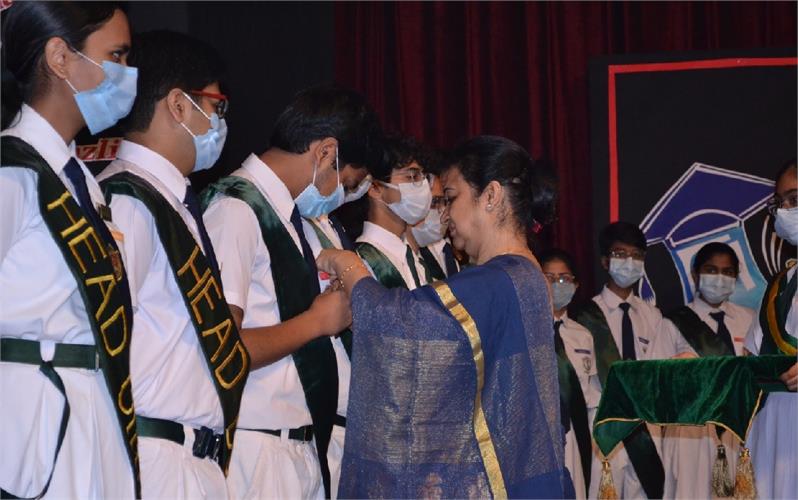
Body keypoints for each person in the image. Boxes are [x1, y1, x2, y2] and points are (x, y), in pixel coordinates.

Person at [317, 135, 572, 498]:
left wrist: (346, 264)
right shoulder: (525, 274)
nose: (444, 214)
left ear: (491, 195)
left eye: (451, 198)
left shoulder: (498, 280)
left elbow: (402, 323)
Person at [202, 84, 383, 499]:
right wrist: (317, 322)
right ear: (325, 152)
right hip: (256, 448)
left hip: (300, 445)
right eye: (344, 181)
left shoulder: (290, 219)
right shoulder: (235, 209)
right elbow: (221, 348)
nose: (339, 196)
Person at [97, 30, 248, 498]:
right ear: (179, 105)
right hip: (153, 454)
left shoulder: (174, 201)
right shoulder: (125, 200)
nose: (220, 121)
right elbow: (104, 338)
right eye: (216, 105)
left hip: (194, 457)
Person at [0, 2, 139, 497]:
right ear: (60, 57)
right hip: (33, 417)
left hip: (95, 410)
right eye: (116, 55)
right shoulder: (12, 170)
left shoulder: (79, 179)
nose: (127, 72)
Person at [648, 242, 754, 499]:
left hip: (739, 432)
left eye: (727, 272)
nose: (719, 278)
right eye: (711, 270)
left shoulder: (749, 319)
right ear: (695, 274)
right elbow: (655, 384)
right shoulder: (673, 322)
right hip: (690, 435)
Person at [572, 221, 664, 499]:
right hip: (604, 427)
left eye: (636, 255)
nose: (629, 262)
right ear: (605, 261)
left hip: (645, 430)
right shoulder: (584, 316)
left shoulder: (653, 316)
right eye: (620, 254)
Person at [744, 159, 797, 499]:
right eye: (780, 203)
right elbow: (752, 359)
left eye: (795, 199)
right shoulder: (780, 285)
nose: (786, 211)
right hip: (772, 427)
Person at [540, 249, 601, 499]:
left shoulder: (582, 335)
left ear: (576, 284)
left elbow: (592, 396)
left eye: (564, 278)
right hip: (540, 434)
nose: (557, 284)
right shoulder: (526, 330)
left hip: (576, 436)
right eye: (549, 278)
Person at [356, 134, 433, 289]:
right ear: (375, 188)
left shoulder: (413, 258)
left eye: (423, 177)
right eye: (411, 176)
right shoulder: (364, 261)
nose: (423, 185)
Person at [409, 166, 461, 280]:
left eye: (445, 201)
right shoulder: (407, 255)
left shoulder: (445, 250)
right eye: (435, 201)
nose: (443, 210)